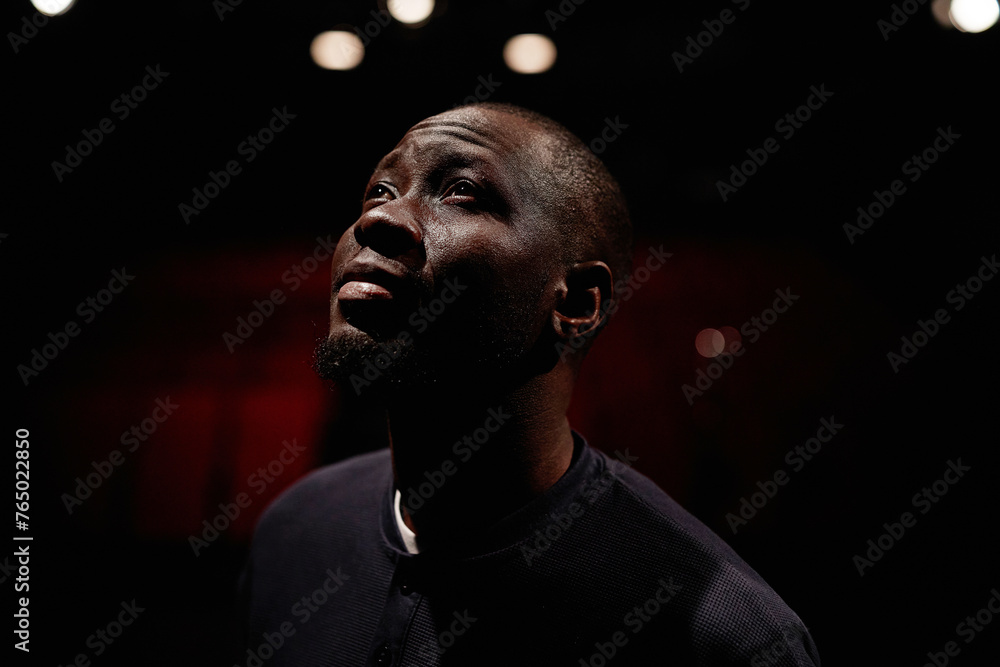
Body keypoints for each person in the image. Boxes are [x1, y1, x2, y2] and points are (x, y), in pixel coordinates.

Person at [238, 102, 821, 666]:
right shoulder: (293, 533)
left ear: (576, 300)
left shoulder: (721, 636)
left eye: (461, 191)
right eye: (380, 191)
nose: (377, 219)